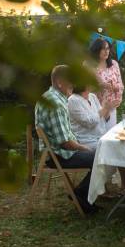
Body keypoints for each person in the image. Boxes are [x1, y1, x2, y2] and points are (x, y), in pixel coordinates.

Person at [34, 65, 100, 214]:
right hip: (59, 155)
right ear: (59, 82)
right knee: (100, 157)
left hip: (54, 152)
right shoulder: (56, 104)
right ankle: (80, 195)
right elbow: (65, 143)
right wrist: (84, 148)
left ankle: (82, 194)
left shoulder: (51, 97)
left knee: (98, 153)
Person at [86, 39, 124, 128]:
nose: (106, 51)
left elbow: (121, 85)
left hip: (111, 107)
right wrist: (101, 86)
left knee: (109, 135)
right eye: (103, 49)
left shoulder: (114, 64)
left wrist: (115, 87)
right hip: (95, 108)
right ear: (96, 50)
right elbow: (85, 88)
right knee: (98, 137)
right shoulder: (88, 65)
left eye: (108, 48)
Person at [67, 85, 119, 151]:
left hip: (100, 138)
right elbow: (89, 123)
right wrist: (105, 108)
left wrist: (108, 107)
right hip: (86, 141)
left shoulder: (92, 96)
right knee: (114, 148)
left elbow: (103, 119)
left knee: (121, 142)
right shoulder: (73, 100)